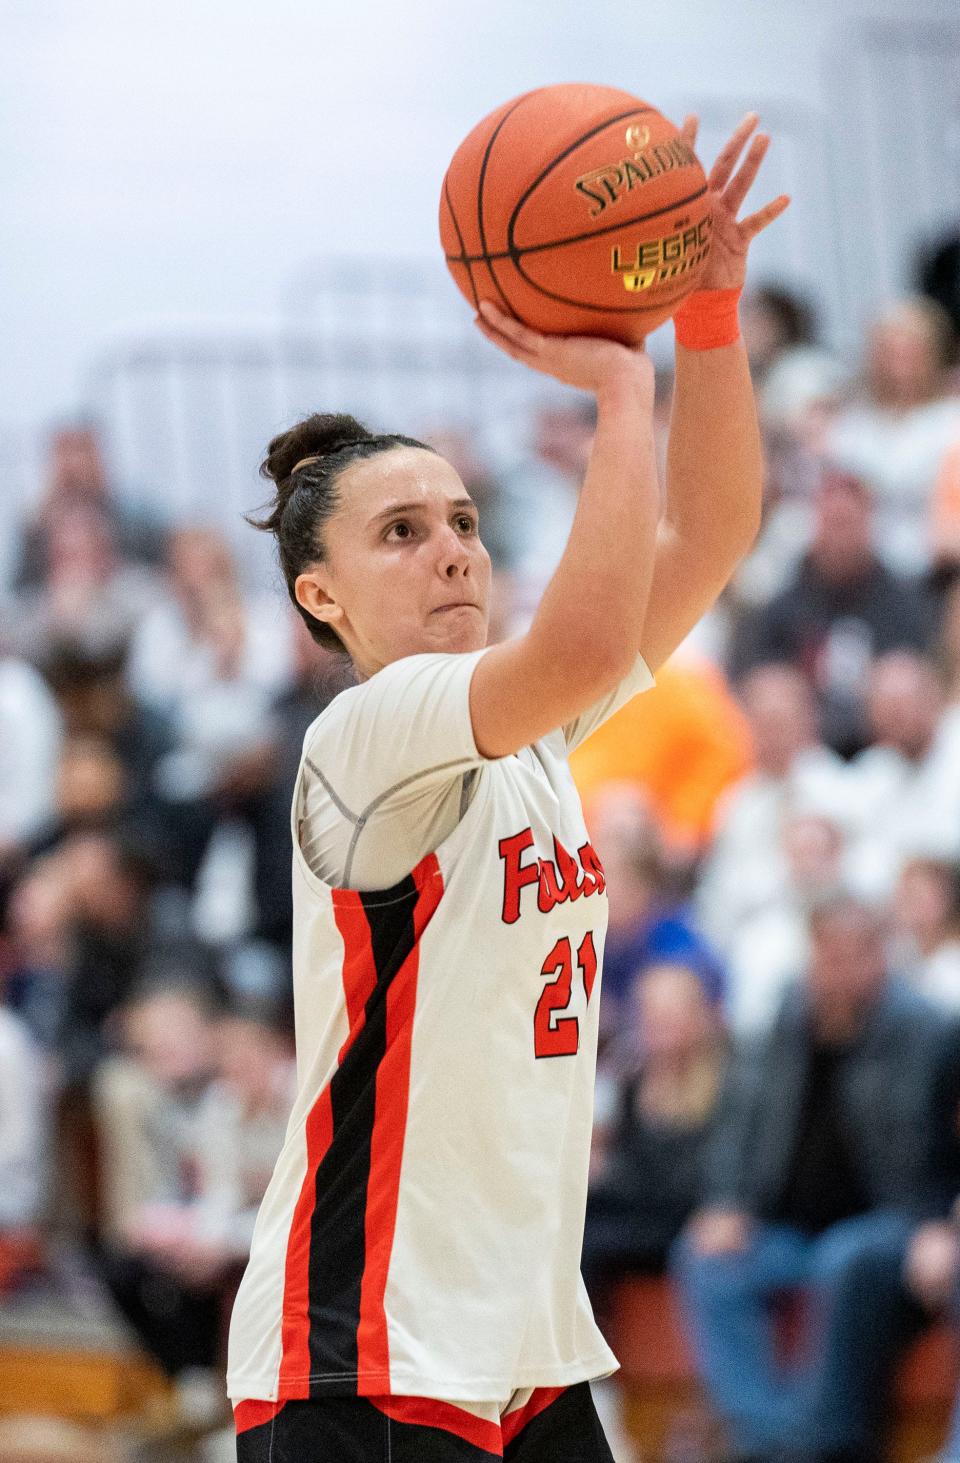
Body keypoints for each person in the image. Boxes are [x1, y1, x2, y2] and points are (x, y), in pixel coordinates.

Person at [226, 112, 787, 1463]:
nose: (453, 552)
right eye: (403, 533)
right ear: (321, 594)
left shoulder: (521, 732)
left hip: (520, 1346)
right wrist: (623, 382)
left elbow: (707, 536)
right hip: (360, 1351)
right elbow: (591, 636)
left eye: (467, 521)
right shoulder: (371, 733)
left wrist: (707, 316)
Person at [672, 895, 946, 1463]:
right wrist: (726, 1202)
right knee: (706, 1259)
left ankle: (825, 1444)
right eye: (826, 957)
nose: (837, 973)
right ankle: (768, 1443)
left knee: (843, 1259)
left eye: (853, 957)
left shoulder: (927, 1030)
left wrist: (935, 1223)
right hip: (788, 1228)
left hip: (892, 1227)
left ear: (881, 957)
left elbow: (936, 1151)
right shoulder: (786, 1018)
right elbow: (740, 1120)